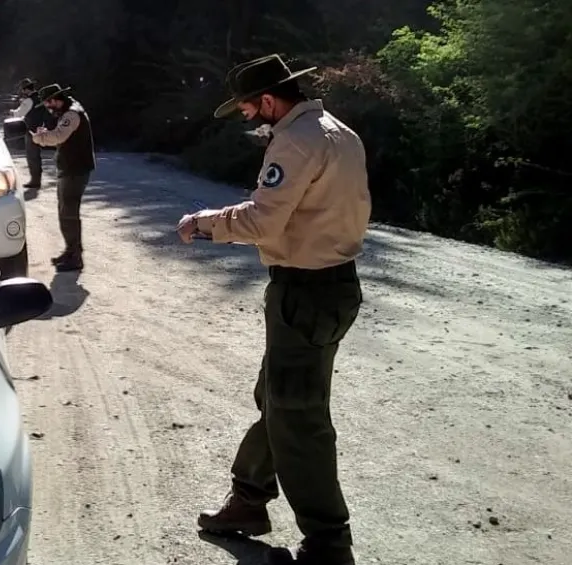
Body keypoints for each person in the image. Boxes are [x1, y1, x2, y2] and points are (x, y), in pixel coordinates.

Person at [177, 54, 371, 565]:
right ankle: (249, 498)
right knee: (280, 398)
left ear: (268, 100)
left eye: (246, 106)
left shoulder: (298, 140)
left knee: (298, 416)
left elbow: (263, 222)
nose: (245, 116)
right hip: (331, 288)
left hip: (305, 291)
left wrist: (204, 222)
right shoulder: (339, 133)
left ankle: (329, 542)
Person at [31, 83, 96, 272]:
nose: (48, 108)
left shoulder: (71, 114)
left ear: (55, 100)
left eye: (48, 103)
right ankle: (71, 250)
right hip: (70, 168)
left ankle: (75, 256)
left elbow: (58, 137)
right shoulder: (68, 111)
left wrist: (39, 138)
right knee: (64, 211)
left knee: (69, 212)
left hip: (75, 170)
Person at [10, 78, 51, 188]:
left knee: (32, 156)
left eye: (23, 90)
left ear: (25, 90)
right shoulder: (40, 98)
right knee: (36, 156)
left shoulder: (28, 101)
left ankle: (35, 181)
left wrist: (11, 112)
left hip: (31, 131)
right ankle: (37, 179)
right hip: (41, 129)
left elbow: (19, 113)